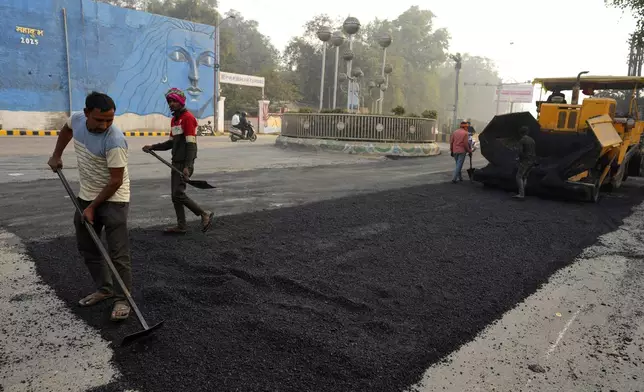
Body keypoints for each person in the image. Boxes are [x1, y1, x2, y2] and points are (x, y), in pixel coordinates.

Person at [47, 92, 132, 321]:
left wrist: (93, 207)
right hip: (87, 195)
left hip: (114, 198)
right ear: (86, 114)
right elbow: (66, 130)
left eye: (110, 120)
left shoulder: (114, 140)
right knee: (88, 246)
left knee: (117, 253)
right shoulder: (76, 119)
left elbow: (115, 181)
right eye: (99, 120)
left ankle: (122, 299)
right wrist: (56, 155)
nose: (105, 125)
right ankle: (105, 289)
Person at [143, 88, 214, 234]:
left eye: (174, 101)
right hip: (175, 162)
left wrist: (188, 166)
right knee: (175, 196)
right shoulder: (175, 120)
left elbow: (191, 144)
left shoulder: (188, 118)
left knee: (178, 194)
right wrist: (153, 147)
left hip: (184, 164)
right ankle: (181, 226)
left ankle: (203, 214)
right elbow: (170, 143)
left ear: (181, 101)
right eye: (169, 101)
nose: (171, 104)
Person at [513, 125, 537, 200]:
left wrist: (518, 159)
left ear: (520, 133)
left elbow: (520, 151)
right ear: (527, 132)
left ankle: (521, 194)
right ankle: (523, 192)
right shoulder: (532, 140)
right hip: (532, 160)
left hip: (526, 161)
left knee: (518, 176)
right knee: (525, 176)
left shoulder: (522, 140)